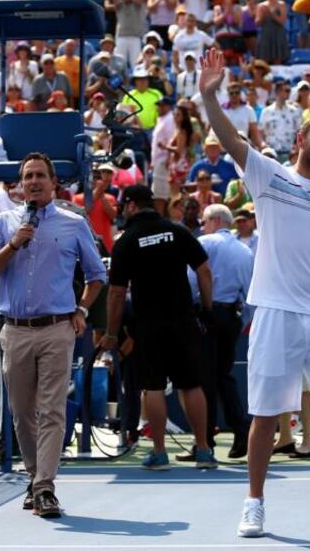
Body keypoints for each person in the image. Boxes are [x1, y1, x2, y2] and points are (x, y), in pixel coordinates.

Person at [196, 48, 310, 541]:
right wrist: (209, 95)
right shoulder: (268, 175)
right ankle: (254, 502)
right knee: (265, 414)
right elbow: (232, 139)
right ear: (300, 139)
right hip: (276, 310)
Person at [0, 152, 106, 519]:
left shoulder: (73, 223)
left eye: (40, 176)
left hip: (57, 329)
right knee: (21, 413)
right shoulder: (4, 222)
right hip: (15, 330)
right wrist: (14, 243)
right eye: (27, 176)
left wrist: (81, 310)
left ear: (53, 183)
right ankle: (36, 481)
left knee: (51, 410)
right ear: (20, 184)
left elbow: (97, 275)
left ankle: (45, 487)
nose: (33, 182)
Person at [103, 183, 217, 470]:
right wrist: (206, 309)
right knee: (190, 383)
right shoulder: (177, 230)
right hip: (182, 320)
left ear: (130, 206)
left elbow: (116, 293)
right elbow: (204, 271)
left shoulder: (126, 240)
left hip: (148, 325)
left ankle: (160, 452)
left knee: (152, 386)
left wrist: (111, 333)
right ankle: (203, 450)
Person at [194, 204, 252, 459]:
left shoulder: (204, 242)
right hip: (230, 316)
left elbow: (191, 278)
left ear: (215, 220)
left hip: (206, 314)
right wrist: (242, 320)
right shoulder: (245, 251)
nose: (201, 225)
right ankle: (240, 431)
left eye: (204, 221)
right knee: (223, 376)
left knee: (205, 378)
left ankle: (204, 442)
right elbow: (250, 293)